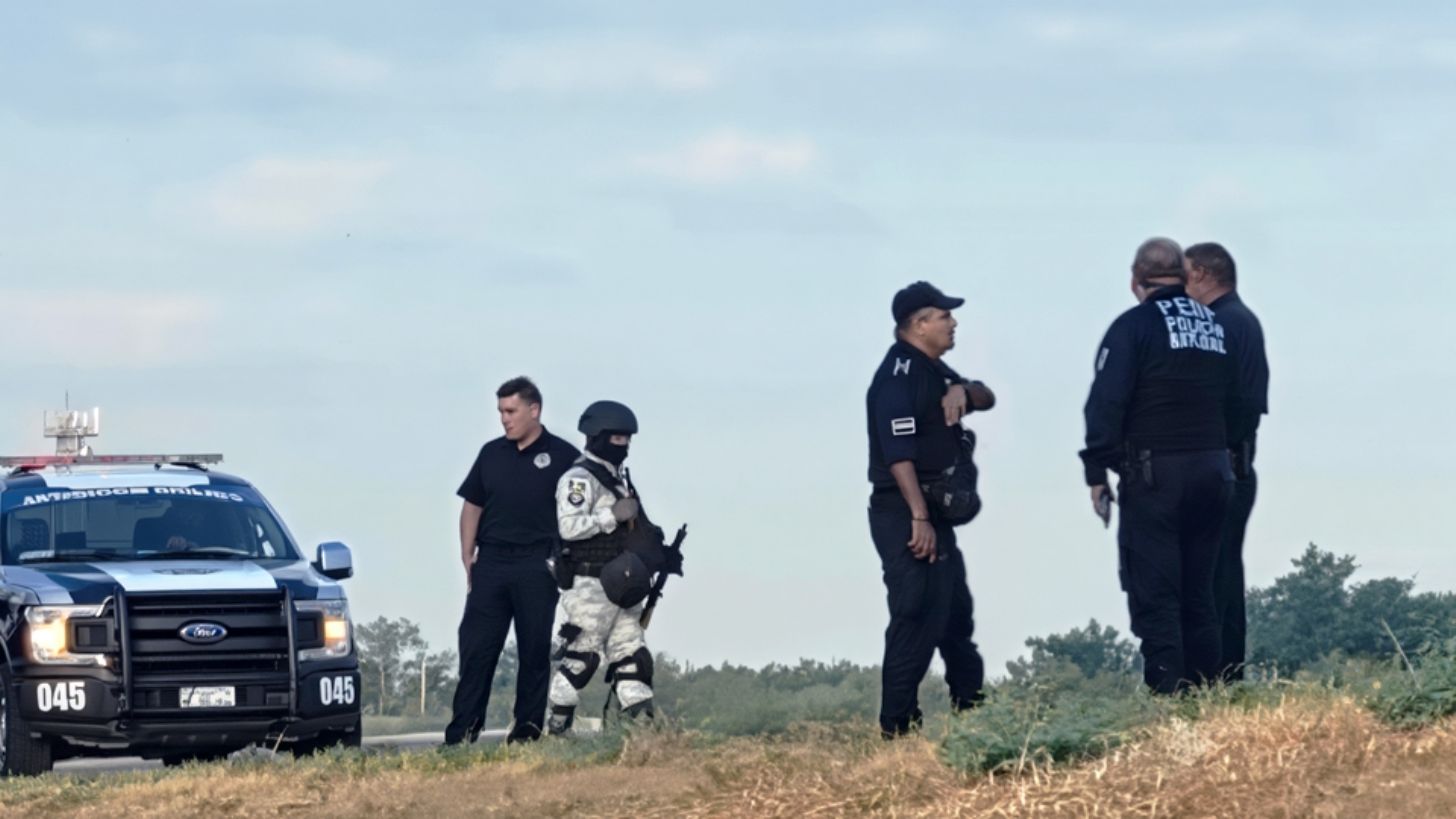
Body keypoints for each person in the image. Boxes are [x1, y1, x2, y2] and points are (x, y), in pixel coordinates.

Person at [1079, 238, 1239, 694]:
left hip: (1156, 477)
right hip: (1214, 471)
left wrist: (1097, 471)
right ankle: (1208, 698)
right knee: (1200, 594)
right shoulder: (1215, 326)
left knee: (1156, 593)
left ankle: (1170, 699)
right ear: (1185, 277)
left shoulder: (1133, 327)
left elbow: (1106, 402)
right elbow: (1239, 399)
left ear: (1136, 281)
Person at [865, 281, 995, 739]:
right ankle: (897, 731)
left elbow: (988, 396)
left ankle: (976, 721)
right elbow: (897, 455)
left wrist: (963, 389)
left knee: (956, 617)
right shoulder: (898, 376)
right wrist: (919, 518)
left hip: (934, 515)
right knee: (916, 614)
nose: (953, 323)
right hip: (905, 511)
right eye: (944, 316)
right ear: (919, 324)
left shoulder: (934, 369)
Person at [444, 377, 580, 746]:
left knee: (533, 651)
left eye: (511, 411)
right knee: (476, 649)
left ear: (534, 410)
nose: (504, 419)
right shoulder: (491, 454)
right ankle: (461, 735)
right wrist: (467, 554)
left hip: (538, 563)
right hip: (491, 562)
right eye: (501, 412)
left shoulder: (565, 457)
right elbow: (472, 504)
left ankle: (526, 734)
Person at [546, 400, 675, 735]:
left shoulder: (619, 479)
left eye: (628, 439)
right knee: (581, 661)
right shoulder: (579, 479)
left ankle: (643, 738)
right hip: (589, 586)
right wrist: (611, 515)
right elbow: (569, 528)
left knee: (633, 660)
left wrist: (659, 555)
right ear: (597, 436)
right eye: (618, 438)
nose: (625, 445)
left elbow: (632, 533)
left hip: (624, 586)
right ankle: (557, 734)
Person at [1185, 242, 1269, 682]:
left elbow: (1244, 405)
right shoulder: (1239, 321)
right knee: (1222, 574)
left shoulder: (1224, 324)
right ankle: (1224, 676)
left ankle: (1216, 676)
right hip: (1234, 464)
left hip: (1226, 466)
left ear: (1201, 273)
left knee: (1213, 578)